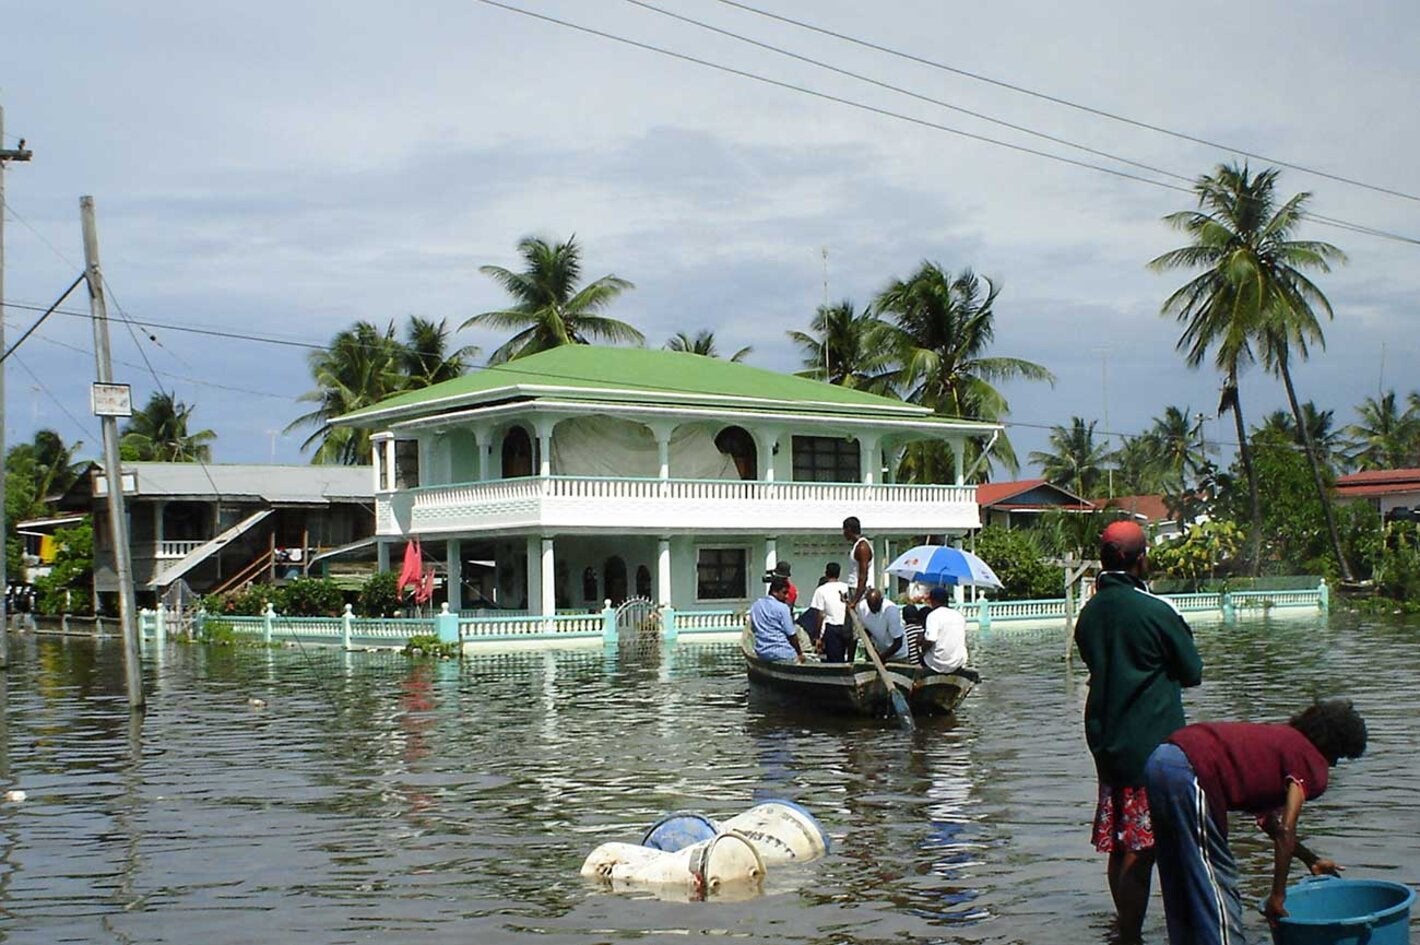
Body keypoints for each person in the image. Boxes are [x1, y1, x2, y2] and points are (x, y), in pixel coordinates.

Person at [1143, 699, 1367, 945]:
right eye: (1339, 756)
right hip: (1191, 768)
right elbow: (1286, 829)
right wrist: (1277, 896)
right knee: (1215, 877)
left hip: (1161, 760)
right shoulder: (1310, 761)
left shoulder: (1282, 740)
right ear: (1333, 747)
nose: (1333, 764)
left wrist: (1309, 858)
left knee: (1181, 875)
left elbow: (1269, 823)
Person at [1074, 519, 1204, 943]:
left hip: (1107, 741)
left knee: (1119, 841)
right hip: (1152, 746)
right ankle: (1131, 936)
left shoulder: (1090, 613)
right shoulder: (1154, 610)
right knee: (1141, 848)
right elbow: (1192, 671)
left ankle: (1124, 928)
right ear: (1140, 559)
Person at [749, 577, 804, 663]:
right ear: (775, 592)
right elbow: (792, 635)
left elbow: (753, 629)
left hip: (762, 653)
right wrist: (800, 654)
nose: (787, 597)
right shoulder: (783, 608)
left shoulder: (756, 606)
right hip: (783, 653)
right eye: (784, 593)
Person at [809, 563, 852, 662]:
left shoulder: (821, 590)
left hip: (832, 628)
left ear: (826, 573)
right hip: (848, 626)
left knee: (835, 660)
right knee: (848, 659)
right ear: (839, 573)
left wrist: (817, 636)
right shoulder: (846, 587)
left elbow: (820, 614)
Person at [919, 586, 967, 673]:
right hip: (958, 662)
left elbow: (930, 640)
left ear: (933, 600)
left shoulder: (933, 615)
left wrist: (922, 650)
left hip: (938, 664)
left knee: (922, 657)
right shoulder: (959, 615)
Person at [855, 588, 903, 659]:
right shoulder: (861, 608)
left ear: (881, 601)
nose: (873, 609)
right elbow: (866, 630)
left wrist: (881, 658)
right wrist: (872, 649)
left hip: (898, 656)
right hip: (878, 652)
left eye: (876, 606)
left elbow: (898, 643)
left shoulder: (891, 610)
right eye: (870, 606)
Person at [842, 516, 873, 608]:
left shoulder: (862, 547)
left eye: (844, 530)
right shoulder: (856, 546)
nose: (843, 533)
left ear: (849, 529)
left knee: (857, 620)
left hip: (858, 591)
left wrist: (855, 601)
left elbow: (863, 575)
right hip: (853, 589)